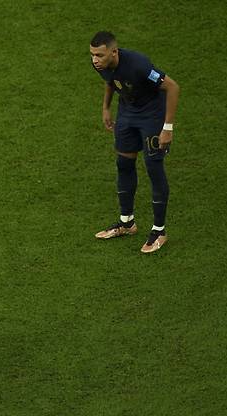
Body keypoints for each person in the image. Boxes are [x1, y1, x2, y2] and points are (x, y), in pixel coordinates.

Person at [90, 31, 180, 253]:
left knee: (153, 168)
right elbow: (111, 81)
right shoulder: (101, 64)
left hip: (151, 116)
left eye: (99, 55)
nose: (94, 60)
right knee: (124, 164)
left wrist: (167, 128)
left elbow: (172, 87)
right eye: (92, 54)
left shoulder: (139, 65)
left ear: (114, 52)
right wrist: (105, 108)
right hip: (128, 113)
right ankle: (127, 222)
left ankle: (159, 231)